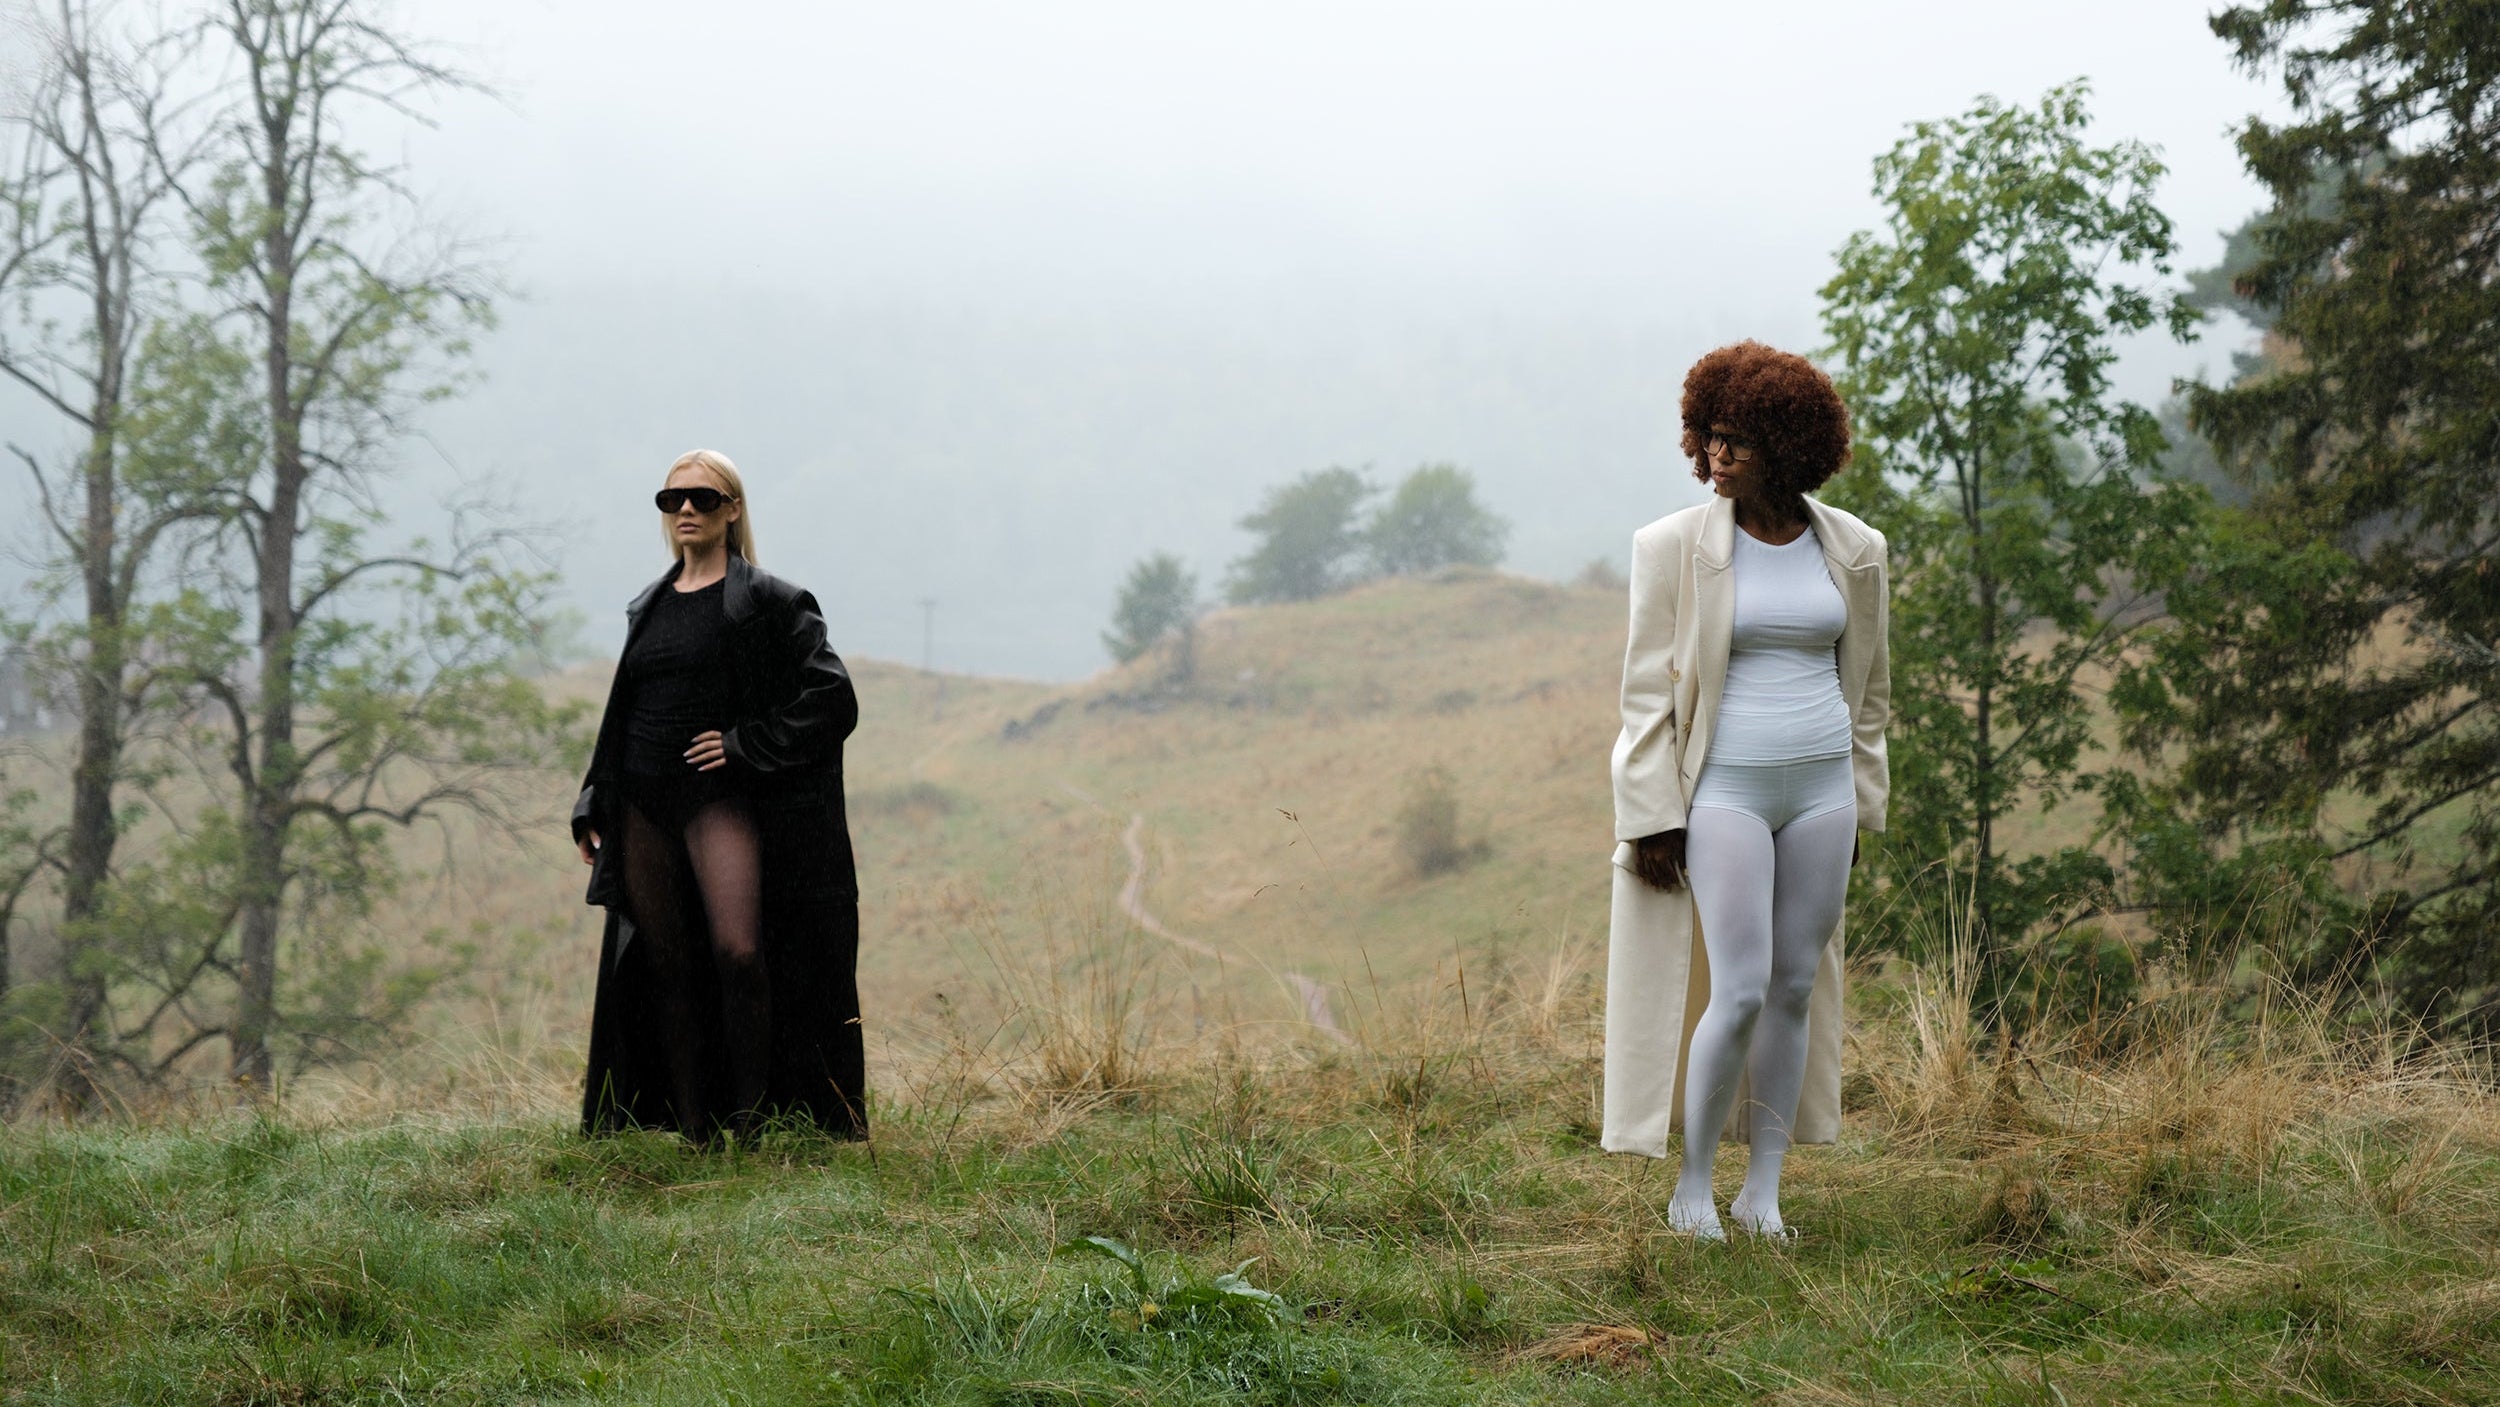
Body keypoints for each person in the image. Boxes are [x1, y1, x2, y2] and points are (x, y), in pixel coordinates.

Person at [1601, 342, 1890, 1239]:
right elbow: (1645, 698)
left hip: (1822, 792)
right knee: (1738, 988)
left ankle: (1763, 1190)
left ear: (1788, 444)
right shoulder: (1671, 547)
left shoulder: (1857, 549)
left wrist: (1860, 803)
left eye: (1738, 439)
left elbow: (1870, 693)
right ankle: (1692, 1185)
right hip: (1724, 788)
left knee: (1794, 985)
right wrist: (1654, 816)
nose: (1716, 454)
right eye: (1709, 436)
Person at [571, 449, 867, 1144]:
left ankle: (753, 1121)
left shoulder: (769, 600)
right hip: (644, 801)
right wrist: (594, 801)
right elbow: (624, 712)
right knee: (668, 963)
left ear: (731, 509)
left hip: (719, 800)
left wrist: (744, 744)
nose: (685, 510)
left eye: (702, 498)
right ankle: (696, 1130)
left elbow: (833, 696)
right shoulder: (648, 605)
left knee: (738, 951)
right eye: (672, 499)